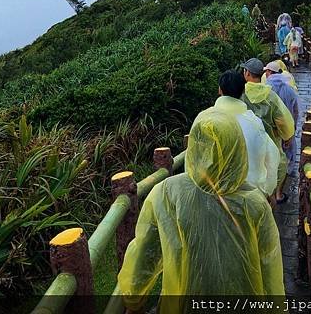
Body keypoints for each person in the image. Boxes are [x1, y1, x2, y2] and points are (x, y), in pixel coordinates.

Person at [117, 111, 285, 312]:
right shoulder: (254, 202)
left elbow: (145, 253)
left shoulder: (166, 193)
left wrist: (133, 298)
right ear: (238, 149)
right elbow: (269, 266)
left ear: (193, 149)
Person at [194, 70, 279, 197]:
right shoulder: (254, 122)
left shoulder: (204, 118)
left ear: (219, 90)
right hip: (249, 194)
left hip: (211, 192)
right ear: (243, 91)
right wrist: (267, 190)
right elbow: (271, 155)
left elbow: (194, 158)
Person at [240, 58, 295, 205]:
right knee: (277, 165)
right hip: (271, 140)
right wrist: (287, 136)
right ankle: (273, 195)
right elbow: (284, 120)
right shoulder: (270, 96)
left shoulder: (241, 94)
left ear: (247, 73)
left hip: (247, 142)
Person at [264, 62, 300, 184]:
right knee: (287, 152)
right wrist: (293, 125)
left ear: (269, 72)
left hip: (272, 128)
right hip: (287, 127)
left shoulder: (266, 89)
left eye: (266, 71)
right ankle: (285, 175)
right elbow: (295, 110)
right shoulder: (289, 88)